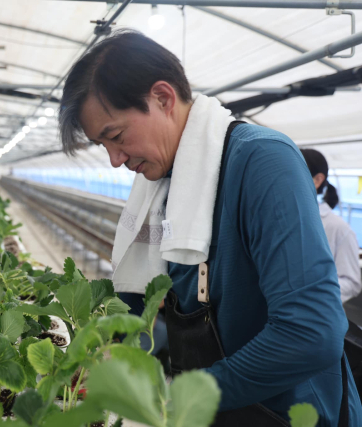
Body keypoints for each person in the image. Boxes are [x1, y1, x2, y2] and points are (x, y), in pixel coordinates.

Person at [59, 30, 361, 426]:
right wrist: (103, 349)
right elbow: (147, 298)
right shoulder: (165, 186)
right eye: (102, 145)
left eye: (115, 136)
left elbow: (310, 333)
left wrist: (178, 397)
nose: (115, 160)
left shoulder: (261, 162)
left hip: (287, 413)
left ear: (163, 98)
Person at [300, 149, 361, 304]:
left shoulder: (338, 228)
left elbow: (351, 282)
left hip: (311, 315)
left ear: (317, 180)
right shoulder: (280, 218)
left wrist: (309, 293)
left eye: (293, 173)